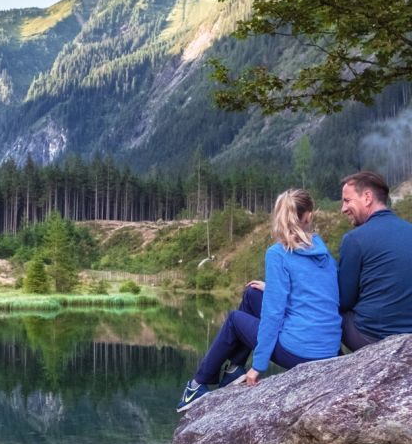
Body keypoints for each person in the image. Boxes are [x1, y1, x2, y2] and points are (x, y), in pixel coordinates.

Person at [177, 189, 342, 412]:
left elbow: (273, 315)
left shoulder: (278, 254)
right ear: (309, 216)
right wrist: (270, 287)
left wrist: (258, 366)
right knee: (253, 293)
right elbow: (317, 295)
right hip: (328, 349)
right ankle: (234, 369)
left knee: (235, 319)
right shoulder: (324, 255)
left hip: (300, 352)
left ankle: (196, 385)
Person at [338, 171, 412, 350]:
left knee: (325, 307)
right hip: (408, 337)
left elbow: (343, 300)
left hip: (371, 338)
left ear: (367, 197)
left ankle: (326, 368)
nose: (343, 208)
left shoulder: (354, 239)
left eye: (347, 200)